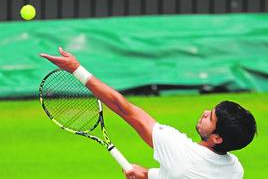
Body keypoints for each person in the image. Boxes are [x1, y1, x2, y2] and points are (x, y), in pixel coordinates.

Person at [40, 48, 257, 179]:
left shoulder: (177, 149)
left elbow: (124, 108)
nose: (204, 112)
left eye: (211, 117)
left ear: (217, 138)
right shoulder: (234, 171)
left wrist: (77, 70)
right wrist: (146, 174)